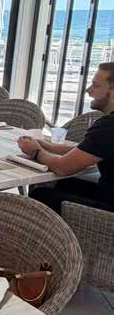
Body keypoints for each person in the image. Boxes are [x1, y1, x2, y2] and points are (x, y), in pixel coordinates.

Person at [20, 62, 114, 213]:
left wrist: (36, 152)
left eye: (95, 85)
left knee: (40, 195)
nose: (88, 90)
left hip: (108, 215)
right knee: (61, 184)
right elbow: (89, 151)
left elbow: (62, 168)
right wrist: (49, 147)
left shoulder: (108, 126)